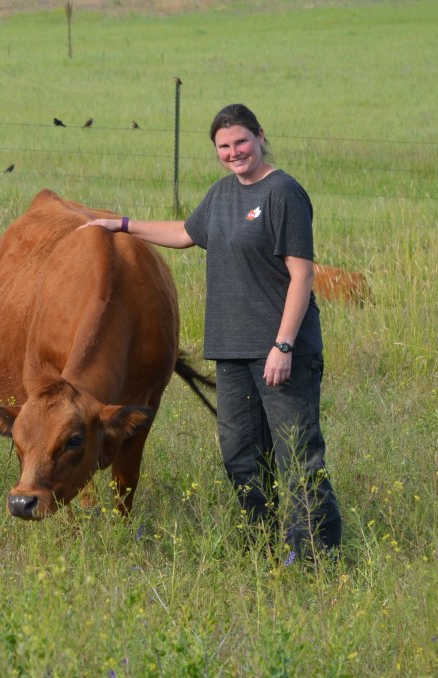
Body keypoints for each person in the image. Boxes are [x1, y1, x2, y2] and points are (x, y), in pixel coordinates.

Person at [82, 103, 342, 560]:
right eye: (224, 146)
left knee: (298, 455)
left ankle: (316, 556)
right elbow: (185, 233)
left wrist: (283, 345)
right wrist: (119, 225)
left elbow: (302, 276)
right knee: (241, 456)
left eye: (241, 141)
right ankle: (261, 548)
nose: (234, 152)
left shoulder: (283, 193)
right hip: (231, 351)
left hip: (281, 352)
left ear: (260, 136)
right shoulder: (222, 194)